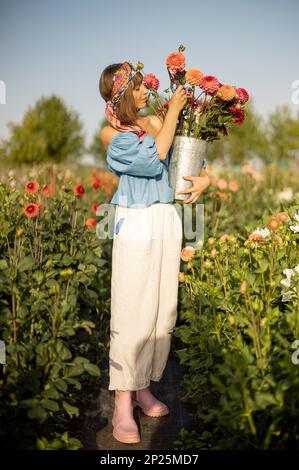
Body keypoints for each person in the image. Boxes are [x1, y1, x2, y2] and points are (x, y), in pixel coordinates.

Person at [99, 61, 210, 444]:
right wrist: (175, 111)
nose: (146, 91)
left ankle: (144, 385)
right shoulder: (114, 137)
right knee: (132, 309)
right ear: (120, 95)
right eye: (137, 87)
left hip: (165, 219)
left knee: (162, 309)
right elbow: (152, 160)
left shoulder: (154, 125)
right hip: (135, 221)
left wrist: (204, 176)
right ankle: (122, 402)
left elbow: (184, 158)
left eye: (144, 86)